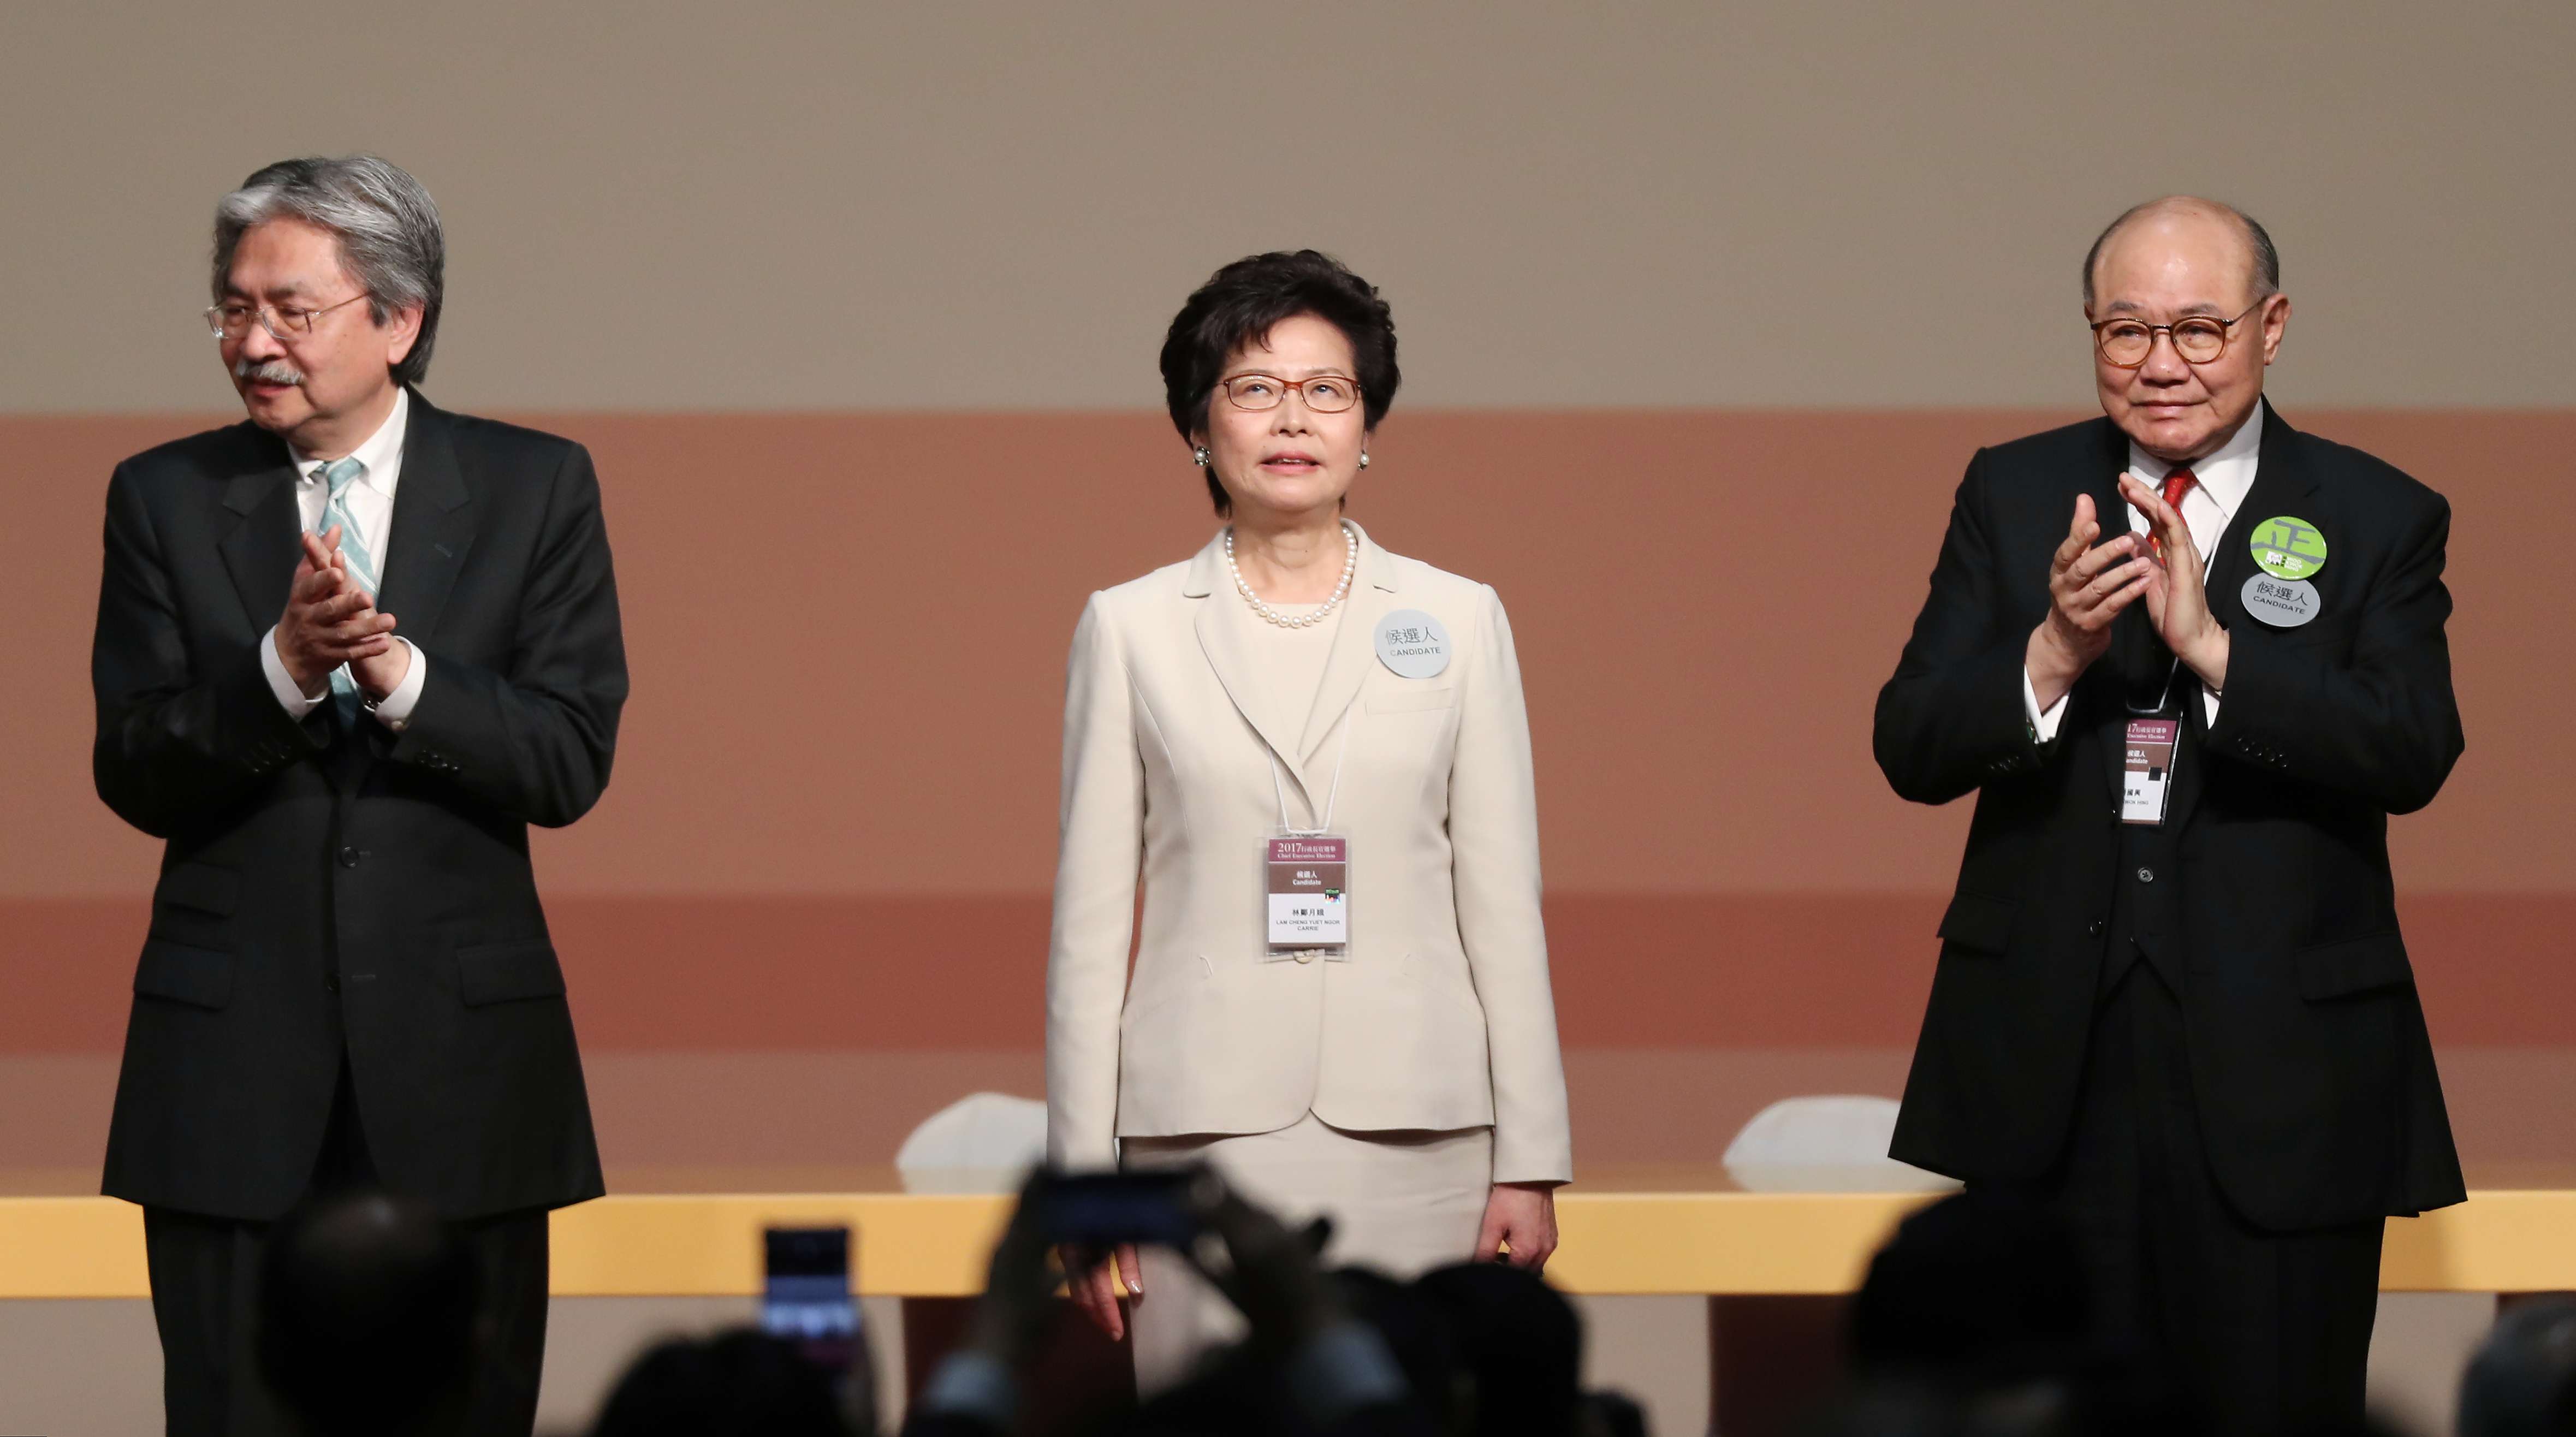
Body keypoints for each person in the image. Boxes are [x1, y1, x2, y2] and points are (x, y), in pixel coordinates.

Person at [1873, 195, 2464, 1433]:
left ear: (2272, 326)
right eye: (2126, 328)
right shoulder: (2014, 487)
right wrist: (2048, 650)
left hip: (2284, 1076)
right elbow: (1912, 743)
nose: (2160, 363)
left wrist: (2215, 651)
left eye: (2198, 328)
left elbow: (2409, 747)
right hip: (2049, 1070)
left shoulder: (2374, 513)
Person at [91, 155, 627, 1434]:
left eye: (291, 310)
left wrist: (398, 672)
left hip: (463, 1068)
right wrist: (281, 668)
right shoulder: (166, 495)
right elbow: (134, 765)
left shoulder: (532, 485)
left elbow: (565, 761)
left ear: (399, 319)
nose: (253, 341)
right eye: (233, 308)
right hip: (229, 1070)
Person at [1046, 250, 1573, 1390]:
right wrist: (1087, 1188)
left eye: (1326, 388)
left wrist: (1529, 1157)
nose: (1293, 418)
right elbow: (1089, 935)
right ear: (1198, 424)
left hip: (1423, 1130)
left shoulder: (1459, 617)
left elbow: (1502, 904)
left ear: (1367, 420)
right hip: (1201, 1136)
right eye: (1253, 387)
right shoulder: (1129, 625)